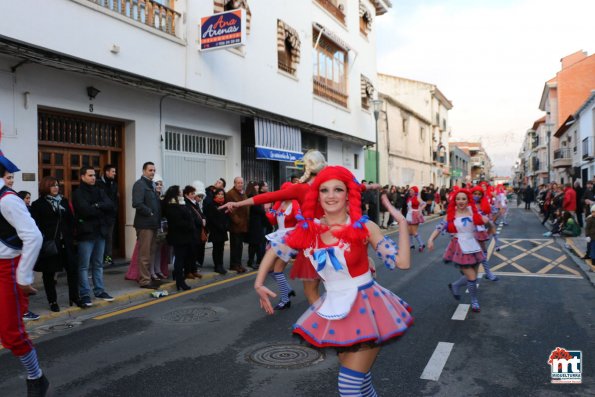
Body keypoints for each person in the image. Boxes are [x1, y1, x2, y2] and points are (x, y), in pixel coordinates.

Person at [254, 166, 412, 397]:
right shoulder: (309, 229)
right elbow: (274, 249)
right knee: (362, 383)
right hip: (335, 309)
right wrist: (258, 283)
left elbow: (403, 263)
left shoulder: (365, 227)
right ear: (317, 195)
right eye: (324, 190)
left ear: (348, 194)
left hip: (368, 308)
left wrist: (403, 224)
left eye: (337, 189)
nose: (330, 195)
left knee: (349, 387)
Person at [0, 155, 49, 396]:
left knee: (11, 333)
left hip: (8, 269)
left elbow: (34, 237)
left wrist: (23, 277)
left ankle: (36, 377)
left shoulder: (8, 200)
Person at [427, 189, 488, 312]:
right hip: (459, 246)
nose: (461, 201)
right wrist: (431, 239)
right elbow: (439, 228)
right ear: (454, 200)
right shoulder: (451, 214)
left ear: (468, 200)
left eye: (464, 199)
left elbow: (485, 221)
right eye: (458, 199)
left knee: (473, 275)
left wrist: (485, 219)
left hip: (473, 245)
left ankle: (455, 285)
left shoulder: (473, 211)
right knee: (471, 277)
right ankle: (474, 301)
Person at [30, 176, 84, 312]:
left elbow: (71, 220)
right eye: (52, 185)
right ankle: (52, 301)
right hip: (50, 244)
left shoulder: (64, 201)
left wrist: (71, 236)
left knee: (72, 270)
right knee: (49, 274)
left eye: (57, 185)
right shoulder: (38, 204)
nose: (55, 188)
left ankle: (75, 297)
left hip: (66, 242)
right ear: (45, 187)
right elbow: (35, 225)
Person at [72, 166, 115, 307]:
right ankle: (85, 294)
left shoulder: (100, 190)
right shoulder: (78, 193)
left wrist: (96, 205)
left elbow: (110, 205)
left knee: (98, 264)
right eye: (90, 175)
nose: (93, 178)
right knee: (83, 266)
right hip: (85, 234)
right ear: (82, 177)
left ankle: (99, 290)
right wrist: (99, 208)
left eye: (94, 175)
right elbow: (85, 211)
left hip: (100, 232)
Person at [264, 182, 300, 309]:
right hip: (277, 237)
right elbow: (273, 220)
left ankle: (285, 300)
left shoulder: (295, 204)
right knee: (269, 270)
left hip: (288, 240)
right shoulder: (280, 204)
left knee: (277, 270)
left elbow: (301, 220)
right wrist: (267, 209)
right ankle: (288, 290)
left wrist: (294, 236)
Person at [132, 162, 162, 289]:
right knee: (144, 254)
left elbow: (154, 203)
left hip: (153, 224)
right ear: (144, 171)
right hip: (144, 225)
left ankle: (148, 277)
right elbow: (137, 204)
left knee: (151, 253)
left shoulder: (152, 185)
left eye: (154, 170)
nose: (153, 172)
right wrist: (150, 212)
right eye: (150, 170)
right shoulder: (139, 184)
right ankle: (144, 281)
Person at [163, 186, 194, 291]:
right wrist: (189, 224)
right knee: (179, 259)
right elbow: (177, 222)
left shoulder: (181, 203)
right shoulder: (172, 206)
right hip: (179, 236)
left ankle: (180, 278)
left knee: (183, 258)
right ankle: (180, 280)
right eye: (180, 191)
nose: (182, 192)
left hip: (185, 235)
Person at [96, 164, 119, 266]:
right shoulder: (98, 183)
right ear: (107, 172)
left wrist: (114, 210)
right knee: (99, 237)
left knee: (109, 237)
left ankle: (108, 258)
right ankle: (97, 259)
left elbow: (115, 199)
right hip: (100, 216)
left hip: (110, 216)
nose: (115, 173)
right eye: (113, 171)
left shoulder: (114, 184)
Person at [203, 187, 229, 275]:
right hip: (215, 230)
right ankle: (217, 266)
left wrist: (225, 226)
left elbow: (226, 216)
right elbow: (211, 218)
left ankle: (221, 264)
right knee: (216, 248)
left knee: (221, 248)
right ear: (215, 195)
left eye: (222, 194)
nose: (220, 195)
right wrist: (220, 226)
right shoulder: (212, 204)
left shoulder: (224, 204)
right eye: (219, 194)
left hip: (223, 230)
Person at [226, 177, 249, 273]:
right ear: (234, 183)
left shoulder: (243, 193)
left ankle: (238, 264)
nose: (240, 184)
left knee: (240, 246)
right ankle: (234, 265)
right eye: (238, 183)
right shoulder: (230, 194)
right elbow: (230, 211)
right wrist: (237, 221)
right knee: (235, 246)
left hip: (243, 224)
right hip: (236, 225)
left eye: (242, 182)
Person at [183, 184, 203, 279]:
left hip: (197, 230)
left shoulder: (195, 203)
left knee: (195, 251)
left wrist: (204, 219)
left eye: (194, 193)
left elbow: (200, 213)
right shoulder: (186, 204)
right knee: (189, 252)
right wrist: (200, 221)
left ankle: (194, 270)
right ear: (186, 195)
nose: (194, 195)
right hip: (191, 231)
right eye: (192, 193)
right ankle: (188, 271)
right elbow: (191, 217)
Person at [245, 181, 267, 270]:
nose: (257, 187)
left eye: (257, 185)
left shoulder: (256, 196)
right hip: (254, 224)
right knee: (253, 244)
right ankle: (251, 261)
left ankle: (258, 260)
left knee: (257, 243)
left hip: (258, 223)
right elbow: (257, 209)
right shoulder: (251, 196)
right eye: (255, 186)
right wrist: (264, 211)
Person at [406, 186, 426, 252]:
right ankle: (411, 244)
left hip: (415, 215)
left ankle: (421, 244)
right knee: (409, 231)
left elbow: (424, 204)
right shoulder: (409, 198)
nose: (410, 191)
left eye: (411, 190)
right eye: (410, 190)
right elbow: (408, 207)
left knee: (414, 231)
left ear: (415, 191)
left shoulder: (417, 198)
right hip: (409, 215)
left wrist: (419, 210)